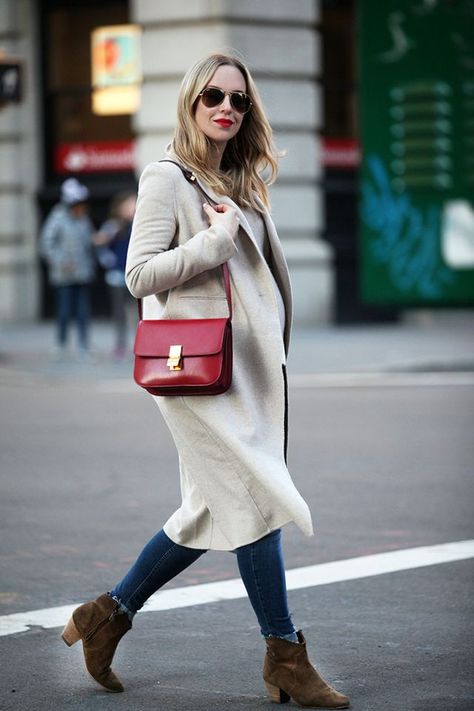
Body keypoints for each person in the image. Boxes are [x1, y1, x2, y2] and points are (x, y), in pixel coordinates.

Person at [61, 54, 350, 709]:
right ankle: (285, 655)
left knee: (205, 513)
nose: (226, 107)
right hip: (199, 375)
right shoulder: (168, 178)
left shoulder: (241, 182)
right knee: (256, 500)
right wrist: (212, 247)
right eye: (213, 96)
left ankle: (108, 615)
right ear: (191, 102)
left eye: (239, 101)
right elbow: (139, 275)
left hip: (249, 374)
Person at [40, 178, 96, 361]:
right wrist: (60, 261)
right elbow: (46, 243)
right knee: (64, 310)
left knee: (83, 311)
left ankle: (83, 345)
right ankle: (61, 343)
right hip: (64, 275)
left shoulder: (83, 219)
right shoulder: (57, 217)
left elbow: (88, 241)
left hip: (82, 273)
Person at [94, 191, 137, 359]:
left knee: (137, 313)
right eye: (129, 204)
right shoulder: (113, 226)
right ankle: (120, 346)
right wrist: (109, 262)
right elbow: (101, 245)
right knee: (119, 313)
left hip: (135, 275)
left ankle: (139, 344)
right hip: (117, 276)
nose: (133, 207)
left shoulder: (138, 224)